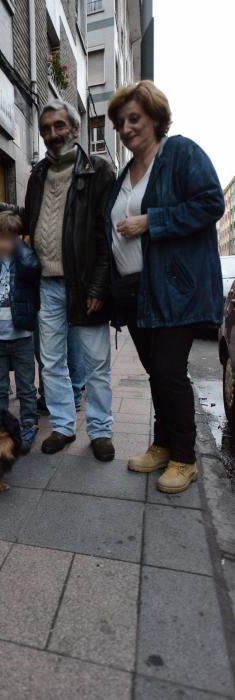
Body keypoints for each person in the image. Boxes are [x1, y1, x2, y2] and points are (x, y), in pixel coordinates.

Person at [106, 80, 224, 493]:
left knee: (171, 372)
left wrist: (152, 220)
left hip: (173, 288)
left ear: (155, 118)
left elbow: (212, 203)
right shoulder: (126, 172)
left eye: (134, 119)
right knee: (156, 373)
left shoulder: (180, 153)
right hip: (135, 292)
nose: (127, 128)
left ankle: (185, 458)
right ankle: (161, 443)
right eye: (121, 122)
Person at [23, 99, 116, 461]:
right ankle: (63, 425)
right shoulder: (37, 175)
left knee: (95, 362)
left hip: (84, 286)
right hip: (47, 284)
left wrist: (98, 287)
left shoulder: (98, 171)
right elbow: (31, 220)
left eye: (59, 126)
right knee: (51, 361)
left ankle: (101, 430)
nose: (52, 134)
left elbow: (107, 237)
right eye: (46, 128)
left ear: (75, 129)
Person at [0, 211, 41, 453]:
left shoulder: (23, 262)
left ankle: (29, 424)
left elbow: (34, 266)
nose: (6, 244)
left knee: (26, 386)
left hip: (22, 337)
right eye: (1, 238)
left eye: (12, 238)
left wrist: (19, 245)